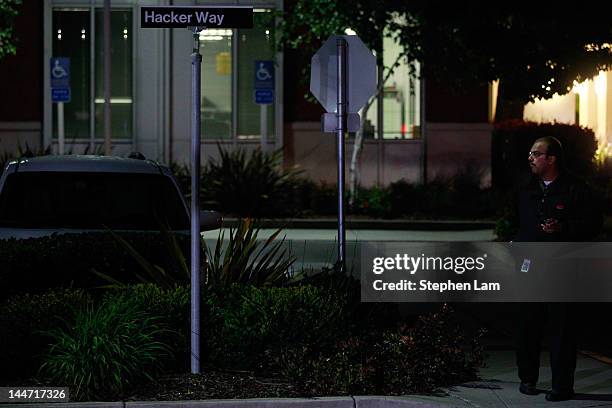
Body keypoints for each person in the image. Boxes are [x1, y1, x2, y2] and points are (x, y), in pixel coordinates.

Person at [513, 136, 602, 402]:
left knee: (562, 330)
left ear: (551, 159)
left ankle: (562, 386)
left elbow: (592, 226)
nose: (530, 157)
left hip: (563, 270)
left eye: (536, 153)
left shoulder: (576, 189)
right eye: (530, 153)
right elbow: (518, 224)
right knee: (527, 325)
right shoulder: (526, 189)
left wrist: (563, 229)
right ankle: (527, 379)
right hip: (531, 268)